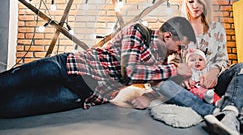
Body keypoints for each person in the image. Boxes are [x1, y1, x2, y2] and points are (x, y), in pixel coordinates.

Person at [0, 16, 196, 118]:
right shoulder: (138, 31)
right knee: (7, 82)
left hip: (81, 96)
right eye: (179, 47)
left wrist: (149, 96)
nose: (178, 53)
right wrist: (175, 70)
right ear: (168, 36)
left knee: (10, 108)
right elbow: (130, 71)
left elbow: (158, 86)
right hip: (68, 66)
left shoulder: (160, 64)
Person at [131, 0, 243, 135]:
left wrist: (213, 73)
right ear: (186, 4)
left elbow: (223, 59)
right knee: (164, 85)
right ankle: (218, 112)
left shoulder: (217, 28)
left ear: (206, 3)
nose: (195, 6)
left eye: (200, 1)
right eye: (191, 1)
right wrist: (180, 77)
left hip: (214, 84)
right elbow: (172, 60)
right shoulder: (179, 29)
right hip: (189, 88)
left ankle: (229, 113)